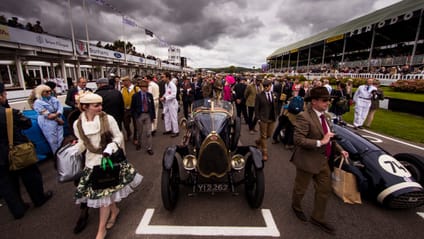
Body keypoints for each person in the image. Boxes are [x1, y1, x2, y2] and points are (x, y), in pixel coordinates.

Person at [73, 92, 142, 239]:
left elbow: (118, 136)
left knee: (103, 197)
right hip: (91, 164)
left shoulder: (108, 119)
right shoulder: (77, 123)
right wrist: (73, 150)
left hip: (108, 161)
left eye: (101, 104)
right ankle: (114, 211)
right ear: (85, 107)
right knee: (104, 196)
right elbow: (82, 143)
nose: (100, 108)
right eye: (96, 105)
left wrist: (111, 146)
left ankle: (101, 231)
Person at [291, 86, 349, 235]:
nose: (327, 103)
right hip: (307, 160)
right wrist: (320, 142)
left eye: (328, 100)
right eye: (324, 101)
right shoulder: (304, 116)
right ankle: (296, 207)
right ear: (314, 101)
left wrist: (339, 149)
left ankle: (318, 217)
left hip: (323, 160)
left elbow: (329, 136)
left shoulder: (326, 116)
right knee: (300, 189)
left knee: (324, 189)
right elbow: (298, 140)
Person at [0, 82, 53, 220]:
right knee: (31, 176)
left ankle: (18, 209)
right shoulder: (8, 113)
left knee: (7, 184)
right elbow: (27, 123)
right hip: (18, 150)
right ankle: (38, 198)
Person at [33, 84, 64, 154]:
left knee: (60, 138)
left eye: (50, 91)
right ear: (41, 92)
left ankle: (62, 155)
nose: (49, 93)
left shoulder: (54, 99)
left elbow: (60, 108)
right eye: (46, 92)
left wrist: (58, 114)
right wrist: (57, 116)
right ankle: (56, 155)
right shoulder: (38, 102)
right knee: (52, 140)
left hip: (58, 118)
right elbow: (48, 116)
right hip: (47, 122)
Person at [254, 80, 278, 161]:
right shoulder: (259, 96)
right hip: (263, 118)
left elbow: (276, 105)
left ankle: (258, 141)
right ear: (264, 87)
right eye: (266, 86)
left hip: (272, 118)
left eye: (268, 86)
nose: (267, 88)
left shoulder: (274, 94)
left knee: (269, 135)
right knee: (264, 136)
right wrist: (258, 119)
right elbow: (256, 108)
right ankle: (264, 153)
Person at [131, 80, 155, 155]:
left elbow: (152, 106)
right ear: (140, 88)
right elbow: (133, 107)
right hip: (139, 115)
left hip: (148, 115)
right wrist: (135, 116)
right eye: (143, 87)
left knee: (149, 132)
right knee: (139, 131)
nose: (145, 88)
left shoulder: (149, 95)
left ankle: (149, 148)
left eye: (146, 87)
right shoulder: (135, 96)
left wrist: (153, 116)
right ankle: (139, 143)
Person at [121, 76, 140, 143]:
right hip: (126, 110)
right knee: (126, 123)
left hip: (134, 110)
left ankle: (135, 138)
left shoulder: (136, 89)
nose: (123, 83)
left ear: (128, 81)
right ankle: (129, 133)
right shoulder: (123, 89)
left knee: (136, 124)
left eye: (124, 81)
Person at [160, 72, 179, 137]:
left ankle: (176, 131)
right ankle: (168, 129)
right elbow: (166, 93)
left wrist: (165, 98)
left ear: (167, 77)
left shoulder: (172, 85)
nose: (162, 78)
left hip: (172, 103)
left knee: (173, 117)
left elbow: (174, 95)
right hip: (167, 102)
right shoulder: (166, 85)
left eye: (163, 77)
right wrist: (163, 96)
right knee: (166, 116)